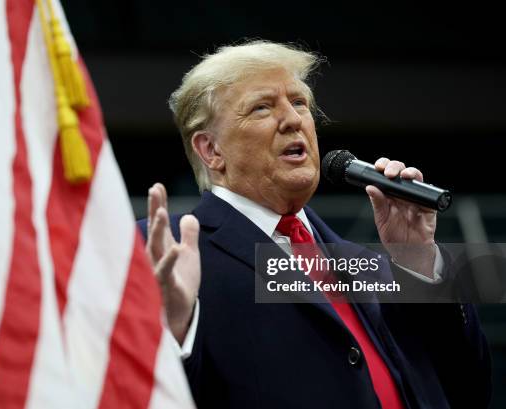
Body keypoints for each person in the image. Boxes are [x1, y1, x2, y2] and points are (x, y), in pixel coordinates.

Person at [139, 41, 491, 409]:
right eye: (262, 107)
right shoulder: (165, 253)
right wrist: (172, 334)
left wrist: (417, 262)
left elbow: (464, 389)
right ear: (211, 151)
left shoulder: (370, 265)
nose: (293, 119)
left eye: (299, 103)